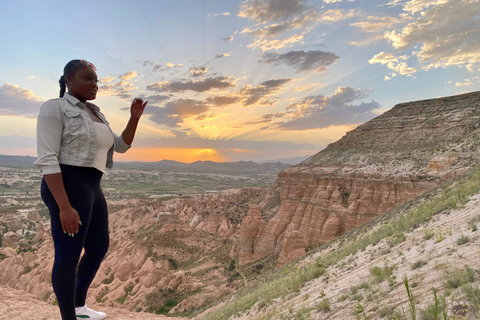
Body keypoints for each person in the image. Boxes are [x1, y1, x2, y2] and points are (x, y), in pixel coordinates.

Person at [34, 59, 147, 320]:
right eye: (87, 78)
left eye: (96, 80)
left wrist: (134, 118)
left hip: (92, 186)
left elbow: (120, 146)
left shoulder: (96, 112)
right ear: (69, 79)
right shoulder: (55, 108)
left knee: (97, 247)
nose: (94, 84)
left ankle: (78, 306)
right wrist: (64, 206)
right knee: (68, 253)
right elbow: (48, 158)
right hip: (67, 184)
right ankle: (68, 317)